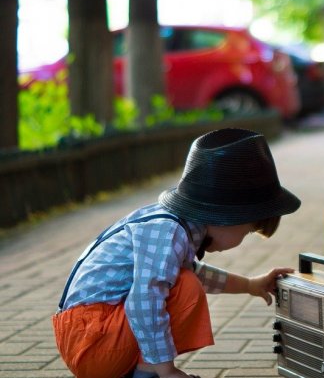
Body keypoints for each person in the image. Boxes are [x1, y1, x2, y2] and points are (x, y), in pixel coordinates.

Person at [52, 128, 301, 378]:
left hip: (91, 335)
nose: (242, 240)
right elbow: (145, 299)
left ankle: (142, 369)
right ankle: (148, 372)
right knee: (185, 286)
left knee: (183, 279)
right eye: (247, 232)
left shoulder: (174, 225)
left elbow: (197, 274)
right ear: (228, 217)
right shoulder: (169, 232)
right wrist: (165, 370)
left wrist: (250, 285)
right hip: (93, 342)